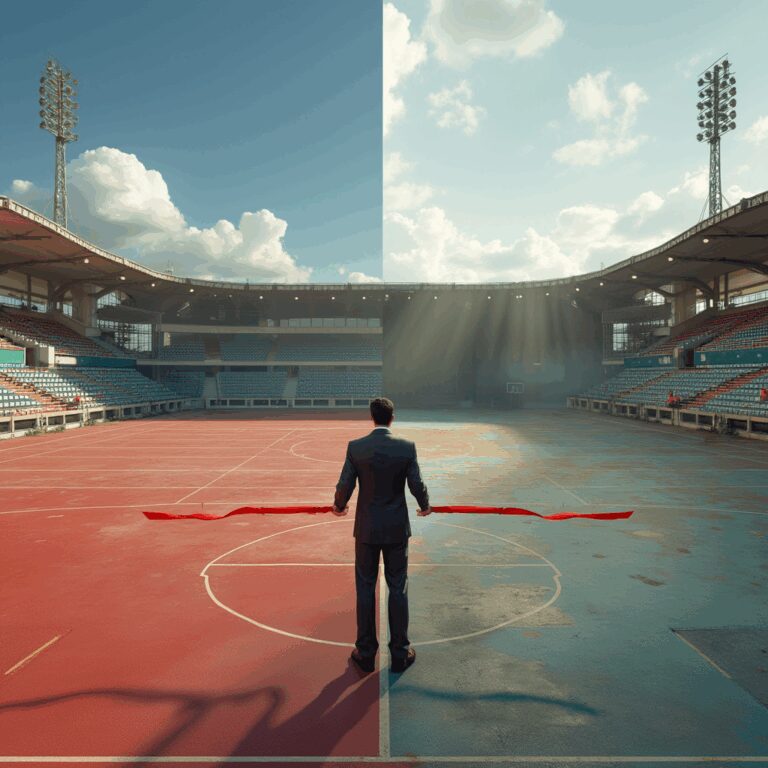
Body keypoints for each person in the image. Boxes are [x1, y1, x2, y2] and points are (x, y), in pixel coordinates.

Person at [332, 396, 431, 675]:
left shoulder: (357, 447)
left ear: (371, 417)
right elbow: (416, 483)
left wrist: (339, 506)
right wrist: (425, 506)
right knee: (398, 587)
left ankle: (365, 654)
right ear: (392, 418)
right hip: (397, 527)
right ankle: (399, 654)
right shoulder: (406, 448)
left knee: (365, 588)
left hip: (366, 529)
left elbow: (345, 484)